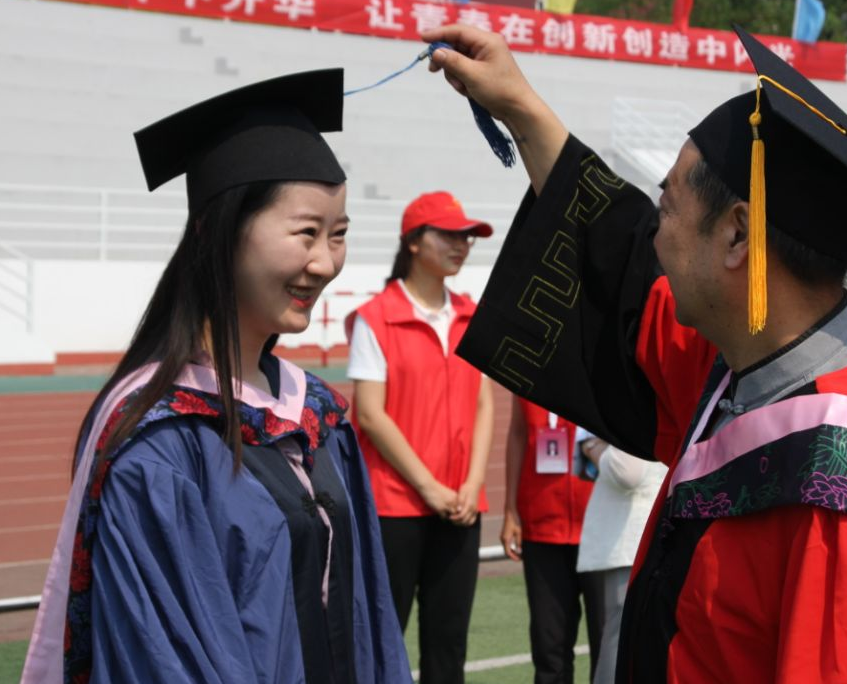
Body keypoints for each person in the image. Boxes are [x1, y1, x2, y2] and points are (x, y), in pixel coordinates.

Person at [422, 23, 847, 683]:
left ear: (737, 236)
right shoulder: (741, 368)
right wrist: (520, 107)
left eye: (667, 207)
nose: (656, 235)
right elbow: (622, 262)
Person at [20, 70, 411, 684]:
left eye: (338, 236)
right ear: (217, 230)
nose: (325, 262)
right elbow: (161, 659)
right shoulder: (157, 443)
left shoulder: (318, 417)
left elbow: (371, 620)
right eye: (306, 232)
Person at [345, 191, 494, 684]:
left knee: (448, 644)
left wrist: (472, 485)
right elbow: (370, 414)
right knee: (382, 637)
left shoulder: (474, 315)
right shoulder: (376, 318)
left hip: (461, 505)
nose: (462, 245)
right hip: (394, 506)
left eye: (467, 236)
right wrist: (429, 487)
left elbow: (482, 403)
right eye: (449, 234)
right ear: (412, 242)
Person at [500, 398, 600, 684]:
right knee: (549, 650)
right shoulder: (527, 363)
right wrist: (510, 509)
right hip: (543, 527)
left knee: (608, 646)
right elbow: (518, 432)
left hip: (601, 528)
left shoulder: (608, 359)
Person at [573, 428, 665, 684]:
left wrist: (591, 445)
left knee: (621, 645)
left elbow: (627, 471)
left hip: (633, 538)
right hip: (651, 534)